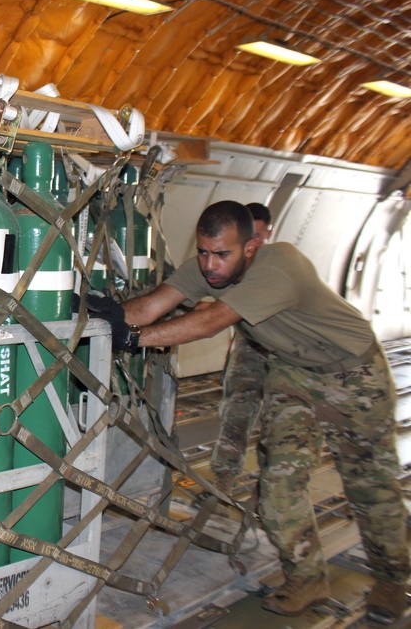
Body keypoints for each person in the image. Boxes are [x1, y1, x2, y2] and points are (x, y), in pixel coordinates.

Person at [87, 200, 409, 621]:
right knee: (278, 484)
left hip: (354, 373)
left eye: (222, 254)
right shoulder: (205, 267)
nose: (210, 265)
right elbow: (152, 305)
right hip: (295, 374)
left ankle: (392, 578)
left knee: (369, 486)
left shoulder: (279, 267)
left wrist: (131, 339)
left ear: (252, 247)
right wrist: (98, 317)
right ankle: (307, 576)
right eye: (204, 251)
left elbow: (211, 321)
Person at [210, 202, 274, 495]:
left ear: (267, 234)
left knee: (280, 421)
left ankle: (272, 488)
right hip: (249, 345)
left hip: (282, 352)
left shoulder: (277, 267)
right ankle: (223, 483)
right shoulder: (227, 263)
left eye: (259, 236)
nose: (254, 243)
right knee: (237, 409)